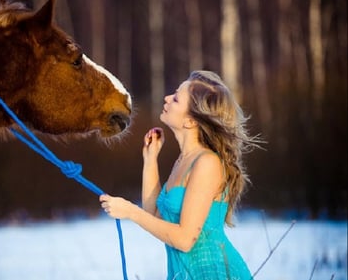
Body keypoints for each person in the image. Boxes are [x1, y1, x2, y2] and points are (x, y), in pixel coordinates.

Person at [100, 71, 260, 279]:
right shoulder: (182, 161)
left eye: (175, 98)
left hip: (212, 272)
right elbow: (156, 215)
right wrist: (150, 160)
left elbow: (185, 239)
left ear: (191, 121)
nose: (167, 99)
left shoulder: (207, 163)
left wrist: (130, 211)